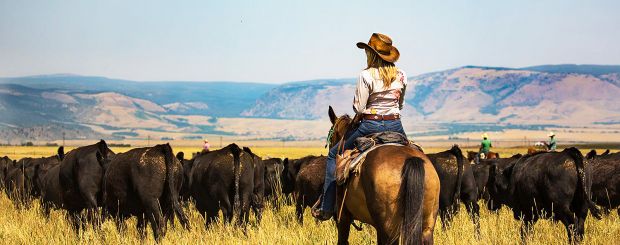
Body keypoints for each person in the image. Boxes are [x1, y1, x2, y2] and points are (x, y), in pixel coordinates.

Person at [312, 33, 408, 220]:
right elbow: (400, 104)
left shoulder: (365, 75)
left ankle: (327, 207)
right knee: (415, 151)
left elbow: (359, 108)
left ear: (371, 54)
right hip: (396, 125)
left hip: (370, 125)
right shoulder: (402, 75)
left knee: (333, 154)